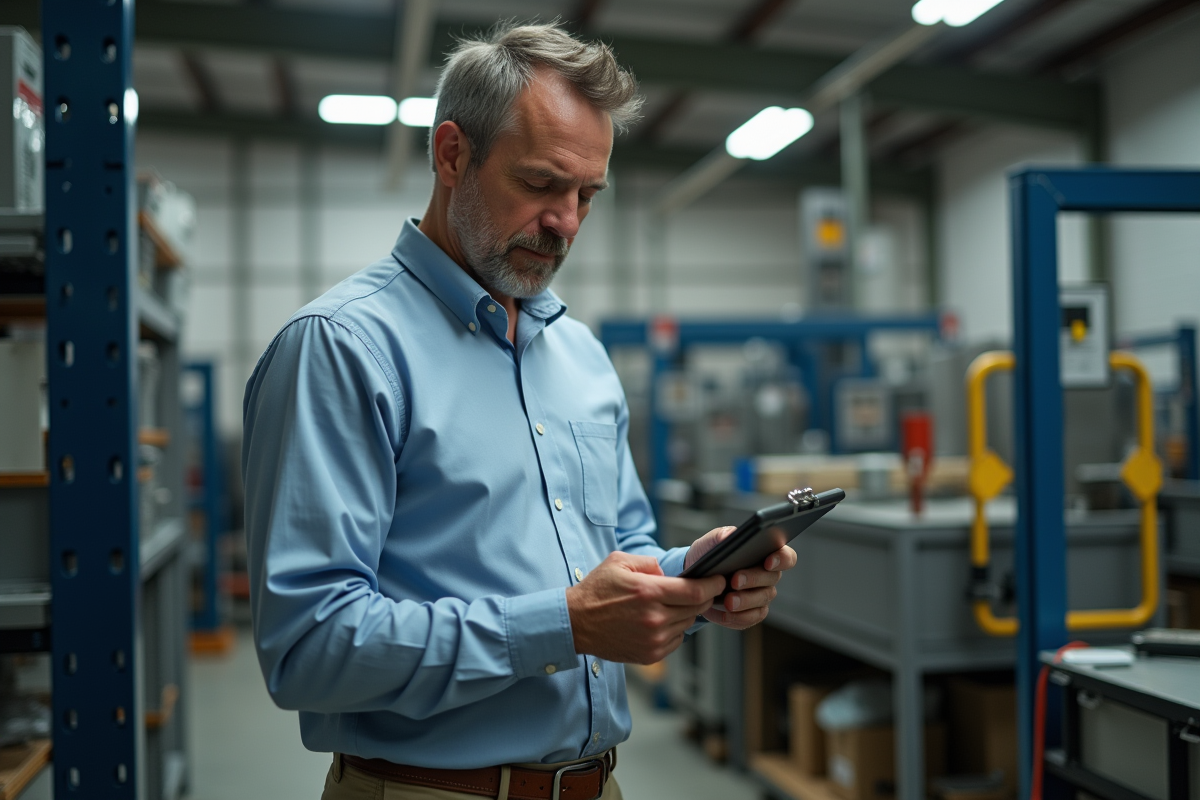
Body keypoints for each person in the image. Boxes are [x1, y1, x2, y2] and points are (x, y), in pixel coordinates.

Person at [242, 21, 798, 800]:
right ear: (451, 155)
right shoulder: (344, 349)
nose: (566, 221)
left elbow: (622, 549)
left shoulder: (581, 356)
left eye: (586, 195)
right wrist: (564, 624)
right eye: (541, 184)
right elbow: (309, 647)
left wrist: (693, 579)